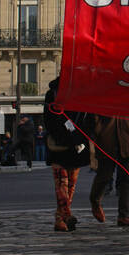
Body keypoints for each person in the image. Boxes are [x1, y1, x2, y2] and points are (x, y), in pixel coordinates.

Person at [41, 76, 87, 231]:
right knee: (62, 183)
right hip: (61, 144)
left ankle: (60, 218)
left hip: (75, 144)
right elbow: (50, 120)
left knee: (70, 185)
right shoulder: (53, 94)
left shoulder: (79, 92)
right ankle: (66, 214)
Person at [86, 111, 129, 227]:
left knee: (127, 178)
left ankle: (124, 216)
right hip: (107, 136)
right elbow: (93, 111)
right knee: (104, 176)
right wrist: (98, 129)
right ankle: (95, 200)